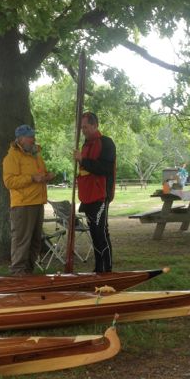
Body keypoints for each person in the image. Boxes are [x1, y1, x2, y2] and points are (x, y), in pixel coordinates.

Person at [3, 124, 54, 275]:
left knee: (35, 242)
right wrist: (31, 178)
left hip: (38, 202)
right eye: (30, 136)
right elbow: (9, 182)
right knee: (22, 241)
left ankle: (28, 272)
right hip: (23, 205)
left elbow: (40, 174)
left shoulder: (36, 155)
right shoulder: (11, 157)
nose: (33, 139)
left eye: (33, 136)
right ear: (21, 139)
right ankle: (18, 273)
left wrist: (47, 176)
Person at [73, 112, 116, 273]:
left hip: (100, 195)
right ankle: (98, 269)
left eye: (85, 127)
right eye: (81, 127)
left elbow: (104, 169)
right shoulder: (85, 145)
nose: (83, 130)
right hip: (87, 196)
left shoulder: (106, 143)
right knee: (94, 234)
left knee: (101, 233)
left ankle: (107, 269)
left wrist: (83, 160)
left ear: (95, 125)